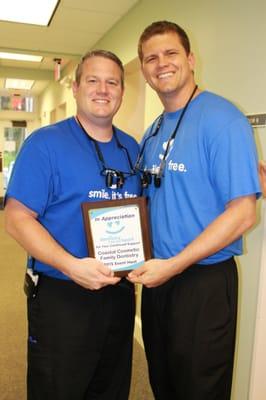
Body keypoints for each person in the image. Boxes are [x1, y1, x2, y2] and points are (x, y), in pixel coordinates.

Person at [128, 21, 260, 400]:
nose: (161, 63)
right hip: (158, 281)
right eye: (151, 58)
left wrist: (173, 265)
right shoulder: (152, 131)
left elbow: (243, 214)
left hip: (203, 284)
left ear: (190, 58)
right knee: (163, 383)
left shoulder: (223, 119)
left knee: (200, 390)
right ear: (145, 71)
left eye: (171, 53)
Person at [4, 50, 141, 400]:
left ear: (122, 92)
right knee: (58, 388)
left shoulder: (132, 149)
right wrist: (72, 266)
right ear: (77, 88)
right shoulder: (45, 145)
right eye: (92, 80)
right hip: (62, 294)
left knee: (110, 387)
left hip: (119, 293)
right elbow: (17, 218)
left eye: (112, 82)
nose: (102, 89)